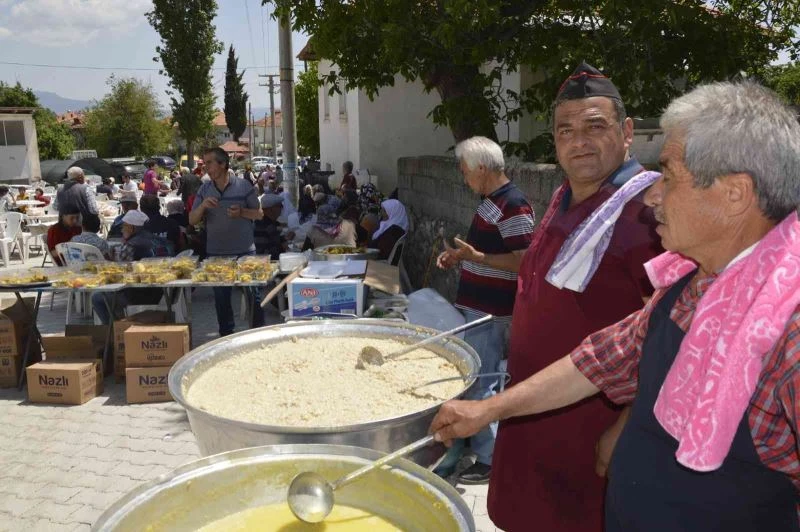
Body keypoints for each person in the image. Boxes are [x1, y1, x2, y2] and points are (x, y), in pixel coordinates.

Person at [432, 80, 800, 531]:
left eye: (668, 176)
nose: (652, 195)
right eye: (565, 130)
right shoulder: (690, 287)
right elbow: (597, 360)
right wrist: (487, 409)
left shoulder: (788, 333)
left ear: (735, 194)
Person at [447, 63, 663, 531]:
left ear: (627, 132)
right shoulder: (565, 196)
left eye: (595, 126)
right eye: (566, 130)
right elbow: (536, 269)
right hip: (529, 412)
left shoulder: (646, 213)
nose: (579, 141)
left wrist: (626, 426)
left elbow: (669, 333)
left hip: (587, 425)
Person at [434, 137, 536, 483]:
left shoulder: (515, 204)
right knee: (475, 377)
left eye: (465, 172)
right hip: (477, 304)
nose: (464, 179)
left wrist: (478, 258)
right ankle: (476, 446)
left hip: (491, 310)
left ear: (481, 168)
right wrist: (460, 256)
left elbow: (525, 261)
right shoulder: (491, 202)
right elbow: (484, 251)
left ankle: (490, 460)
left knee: (482, 382)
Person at [189, 147, 264, 336]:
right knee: (221, 300)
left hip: (245, 251)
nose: (205, 168)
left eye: (209, 163)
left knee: (254, 297)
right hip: (216, 254)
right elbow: (192, 220)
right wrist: (203, 206)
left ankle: (259, 335)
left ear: (222, 164)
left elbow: (259, 214)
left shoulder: (244, 187)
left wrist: (242, 213)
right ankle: (226, 338)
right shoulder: (204, 189)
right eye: (204, 163)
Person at [91, 210, 163, 324]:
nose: (122, 229)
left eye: (124, 226)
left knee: (97, 297)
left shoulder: (131, 245)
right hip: (161, 292)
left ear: (132, 228)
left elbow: (118, 272)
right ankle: (122, 325)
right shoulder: (156, 239)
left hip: (138, 294)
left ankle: (114, 330)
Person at [254, 193, 288, 259]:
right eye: (279, 206)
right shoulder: (267, 225)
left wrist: (283, 239)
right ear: (271, 209)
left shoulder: (263, 221)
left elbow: (272, 240)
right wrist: (282, 247)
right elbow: (266, 252)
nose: (282, 208)